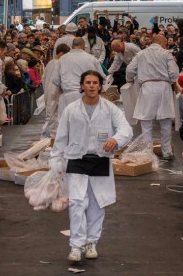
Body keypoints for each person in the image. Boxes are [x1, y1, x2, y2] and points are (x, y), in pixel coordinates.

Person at [50, 70, 133, 263]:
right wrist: (56, 162)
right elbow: (61, 137)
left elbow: (126, 129)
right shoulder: (71, 109)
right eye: (88, 82)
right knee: (77, 202)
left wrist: (115, 139)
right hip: (76, 159)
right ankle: (76, 246)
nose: (92, 86)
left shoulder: (110, 108)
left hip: (100, 159)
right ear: (81, 86)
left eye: (95, 83)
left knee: (97, 203)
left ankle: (91, 242)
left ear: (100, 85)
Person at [126, 34, 179, 161]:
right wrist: (171, 82)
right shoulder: (166, 54)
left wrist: (130, 80)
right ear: (161, 42)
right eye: (165, 43)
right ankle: (166, 152)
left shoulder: (141, 54)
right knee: (165, 121)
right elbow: (174, 73)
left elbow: (130, 69)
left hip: (147, 87)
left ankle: (147, 153)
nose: (166, 45)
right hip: (164, 86)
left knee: (146, 122)